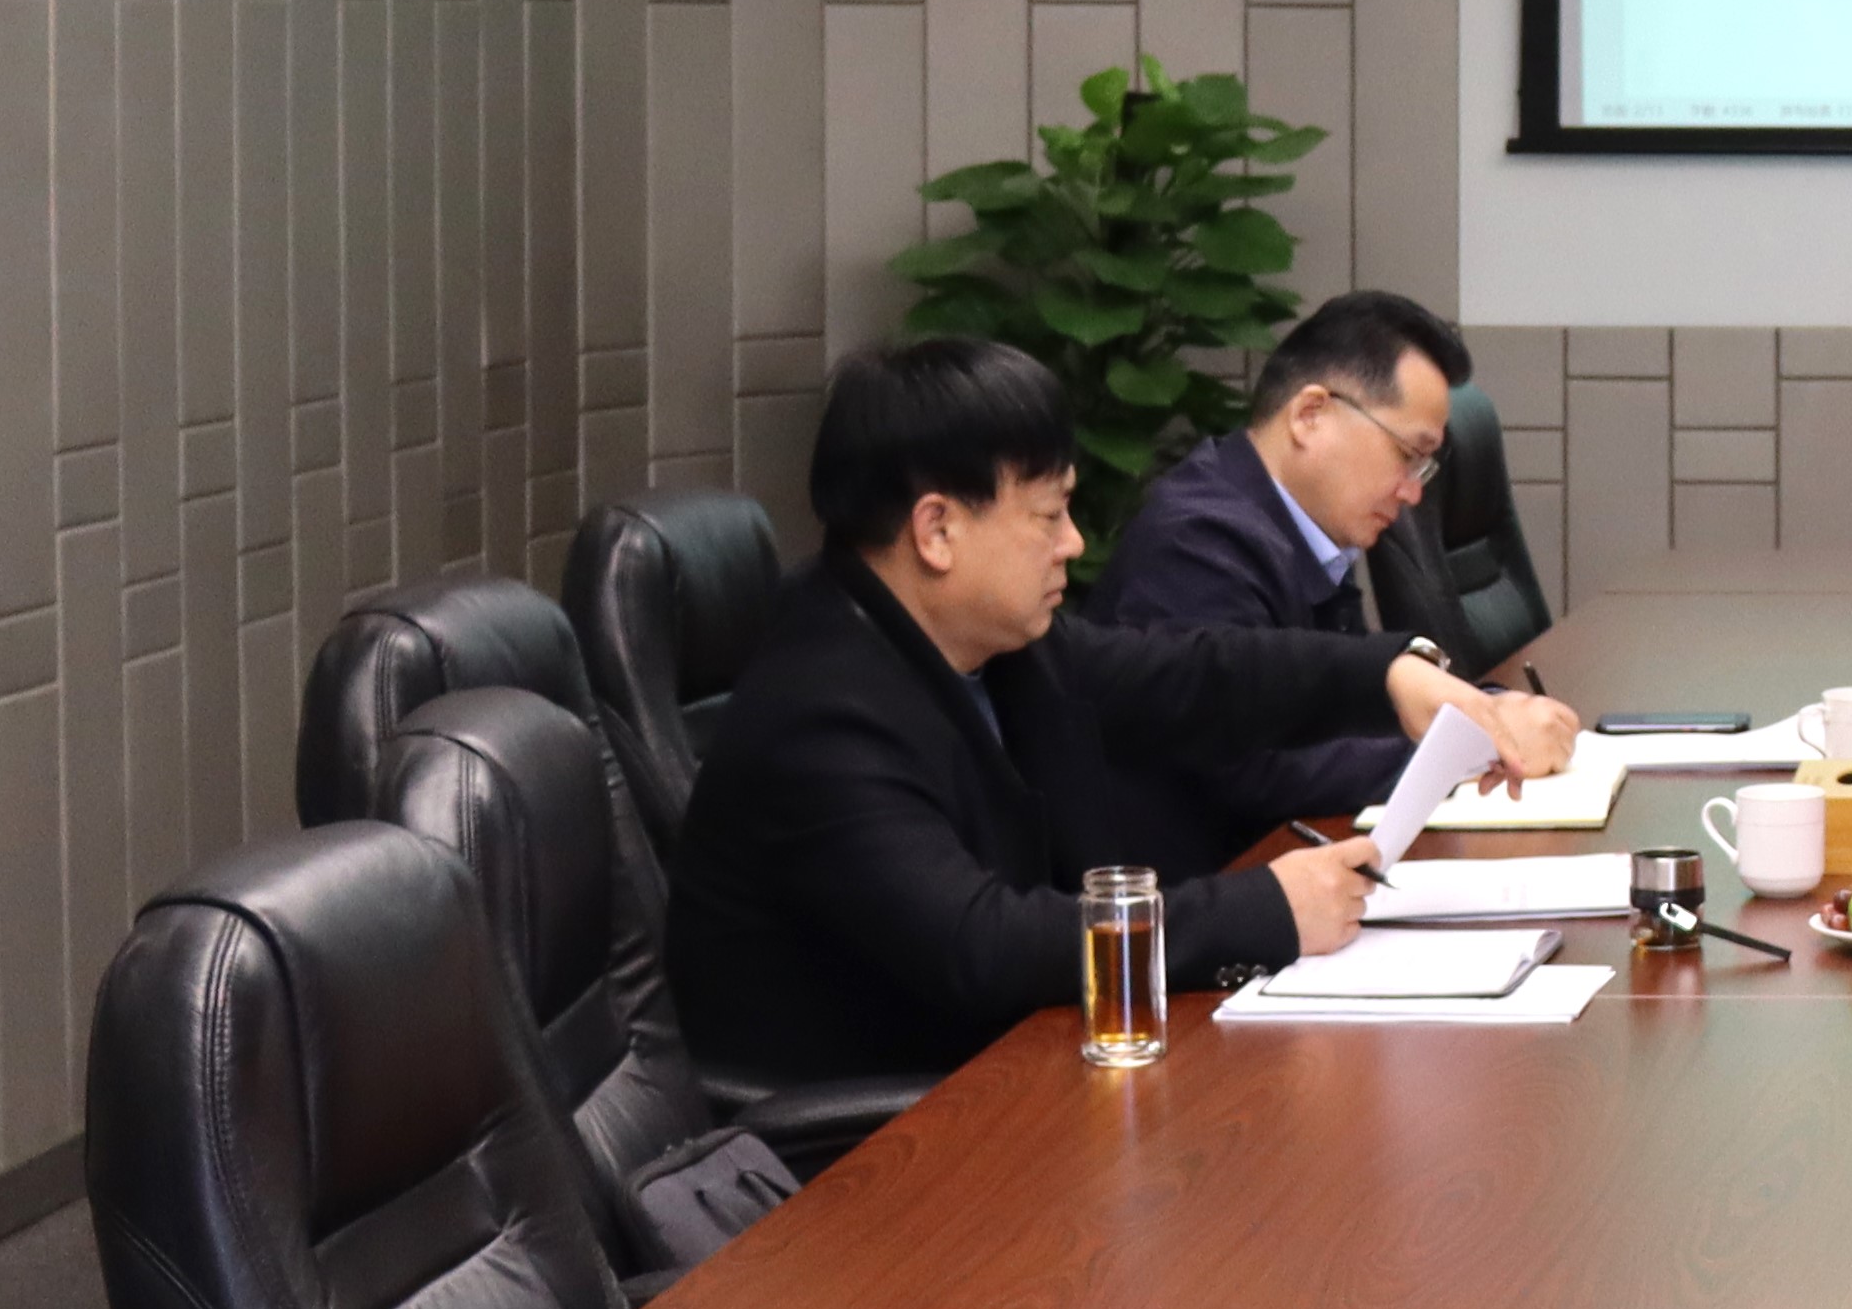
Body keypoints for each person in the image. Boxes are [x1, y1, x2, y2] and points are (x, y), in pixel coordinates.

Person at [670, 335, 1583, 1087]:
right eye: (1049, 516)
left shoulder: (997, 644)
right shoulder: (823, 714)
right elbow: (977, 943)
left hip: (1015, 1069)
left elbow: (1194, 672)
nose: (1073, 544)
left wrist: (1388, 677)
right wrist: (1264, 908)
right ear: (937, 530)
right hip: (877, 1153)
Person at [1084, 289, 1482, 856]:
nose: (1412, 492)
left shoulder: (1304, 526)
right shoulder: (1198, 540)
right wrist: (1464, 748)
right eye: (1407, 454)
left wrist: (1479, 714)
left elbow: (1342, 713)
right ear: (1310, 415)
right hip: (1198, 892)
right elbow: (1253, 767)